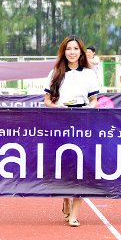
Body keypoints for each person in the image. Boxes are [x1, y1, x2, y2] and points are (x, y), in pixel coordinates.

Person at [44, 35, 100, 227]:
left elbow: (94, 100)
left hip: (83, 124)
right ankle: (65, 199)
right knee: (64, 168)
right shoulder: (55, 73)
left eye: (76, 48)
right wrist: (57, 107)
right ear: (63, 51)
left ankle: (74, 214)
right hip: (61, 124)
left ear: (81, 51)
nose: (72, 52)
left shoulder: (89, 74)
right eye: (69, 49)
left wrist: (87, 110)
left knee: (81, 169)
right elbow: (47, 101)